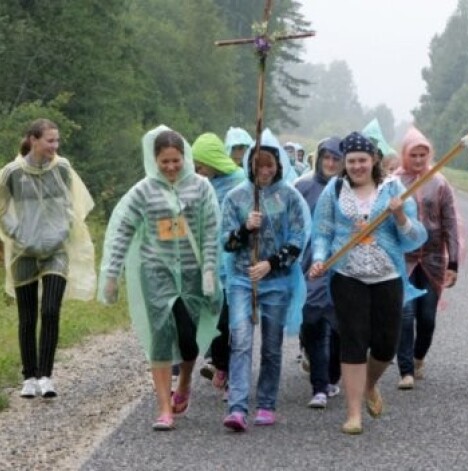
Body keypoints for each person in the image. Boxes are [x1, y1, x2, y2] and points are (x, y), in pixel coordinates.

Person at [98, 125, 221, 431]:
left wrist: (208, 271)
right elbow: (123, 231)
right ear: (154, 161)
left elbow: (210, 231)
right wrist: (112, 274)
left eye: (175, 161)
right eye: (164, 162)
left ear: (185, 157)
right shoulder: (143, 191)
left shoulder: (201, 187)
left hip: (191, 271)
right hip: (156, 270)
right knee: (161, 333)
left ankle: (185, 382)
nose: (170, 167)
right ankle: (164, 407)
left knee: (188, 335)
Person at [309, 131, 427, 435]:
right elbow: (321, 231)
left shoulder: (393, 190)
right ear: (344, 163)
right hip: (347, 275)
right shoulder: (335, 190)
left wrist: (400, 216)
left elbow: (415, 239)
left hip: (387, 276)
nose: (357, 166)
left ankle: (370, 385)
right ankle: (353, 414)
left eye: (362, 160)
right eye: (351, 161)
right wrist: (319, 258)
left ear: (373, 159)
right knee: (353, 340)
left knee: (386, 345)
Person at [220, 129, 311, 432]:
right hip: (241, 279)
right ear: (249, 166)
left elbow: (299, 239)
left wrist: (271, 264)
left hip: (277, 281)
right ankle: (237, 406)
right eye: (258, 165)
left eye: (269, 165)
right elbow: (227, 243)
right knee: (241, 341)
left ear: (278, 165)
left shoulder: (290, 197)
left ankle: (267, 403)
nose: (264, 171)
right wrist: (245, 229)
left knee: (271, 346)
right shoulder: (236, 198)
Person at [0, 118, 96, 399]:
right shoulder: (11, 173)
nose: (55, 146)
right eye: (50, 140)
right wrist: (15, 233)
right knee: (27, 317)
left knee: (51, 310)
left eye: (57, 141)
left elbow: (74, 204)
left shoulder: (63, 168)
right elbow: (2, 207)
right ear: (33, 140)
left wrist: (63, 228)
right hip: (24, 253)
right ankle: (29, 377)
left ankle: (46, 376)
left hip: (56, 250)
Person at [393, 127, 459, 390]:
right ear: (405, 155)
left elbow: (450, 223)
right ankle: (405, 369)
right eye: (414, 155)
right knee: (405, 314)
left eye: (423, 154)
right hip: (403, 258)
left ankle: (419, 356)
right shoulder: (394, 183)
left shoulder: (440, 183)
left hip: (432, 259)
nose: (418, 160)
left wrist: (453, 263)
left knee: (427, 317)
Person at [191, 133, 246, 396]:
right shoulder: (203, 185)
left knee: (234, 322)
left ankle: (232, 374)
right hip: (211, 262)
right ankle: (221, 364)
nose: (197, 169)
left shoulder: (240, 182)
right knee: (217, 320)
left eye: (200, 163)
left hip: (237, 262)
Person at [295, 137, 344, 408]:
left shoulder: (350, 191)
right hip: (309, 266)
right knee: (313, 321)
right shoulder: (302, 187)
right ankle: (319, 385)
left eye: (336, 159)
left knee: (338, 328)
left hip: (343, 268)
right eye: (326, 157)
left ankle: (331, 377)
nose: (330, 163)